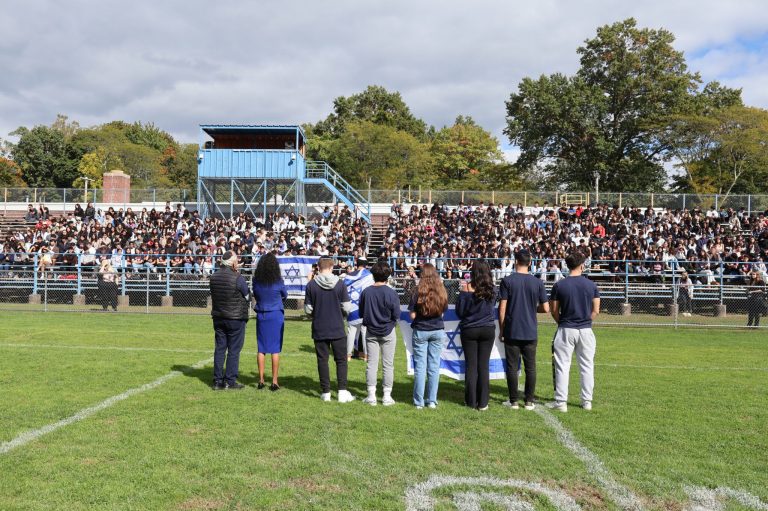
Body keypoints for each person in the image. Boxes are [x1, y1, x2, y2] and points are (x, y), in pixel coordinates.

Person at [548, 251, 600, 412]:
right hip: (585, 329)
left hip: (566, 328)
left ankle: (561, 402)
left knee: (563, 365)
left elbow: (554, 310)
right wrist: (586, 321)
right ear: (582, 265)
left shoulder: (559, 285)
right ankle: (587, 401)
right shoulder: (591, 285)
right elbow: (596, 310)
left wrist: (562, 322)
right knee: (586, 366)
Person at [498, 251, 549, 410]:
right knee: (531, 367)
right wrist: (532, 309)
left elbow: (502, 309)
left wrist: (501, 329)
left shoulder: (507, 281)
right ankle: (529, 401)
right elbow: (546, 308)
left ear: (516, 261)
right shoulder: (537, 282)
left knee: (512, 367)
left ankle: (513, 401)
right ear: (530, 262)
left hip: (512, 329)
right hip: (530, 330)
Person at [305, 256, 355, 402]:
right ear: (332, 267)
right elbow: (347, 307)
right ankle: (342, 391)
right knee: (341, 360)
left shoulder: (311, 285)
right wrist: (340, 313)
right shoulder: (340, 284)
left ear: (318, 268)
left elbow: (308, 310)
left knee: (322, 360)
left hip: (319, 327)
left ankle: (326, 392)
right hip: (337, 327)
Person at [456, 260, 497, 411]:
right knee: (483, 366)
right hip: (487, 329)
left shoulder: (467, 288)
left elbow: (460, 312)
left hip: (470, 330)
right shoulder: (492, 289)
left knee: (471, 366)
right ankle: (483, 402)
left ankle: (471, 401)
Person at [358, 261, 400, 406]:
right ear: (387, 276)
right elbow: (396, 314)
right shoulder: (391, 293)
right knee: (388, 365)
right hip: (386, 331)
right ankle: (386, 396)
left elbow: (361, 312)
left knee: (372, 364)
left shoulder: (366, 292)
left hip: (372, 331)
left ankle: (372, 396)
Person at [409, 263, 448, 409]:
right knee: (434, 366)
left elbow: (412, 315)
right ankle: (431, 400)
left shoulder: (417, 291)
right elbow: (443, 312)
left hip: (421, 330)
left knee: (420, 367)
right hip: (437, 330)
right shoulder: (442, 291)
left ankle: (418, 402)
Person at [209, 251, 250, 390]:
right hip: (235, 318)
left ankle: (217, 381)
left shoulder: (213, 277)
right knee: (234, 350)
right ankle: (229, 381)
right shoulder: (238, 277)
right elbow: (248, 296)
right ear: (233, 263)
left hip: (218, 317)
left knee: (220, 349)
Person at [251, 252, 287, 391]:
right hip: (276, 315)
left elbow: (256, 294)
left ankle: (261, 380)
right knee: (275, 349)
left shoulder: (256, 281)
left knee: (261, 349)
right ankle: (274, 381)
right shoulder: (278, 281)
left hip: (262, 315)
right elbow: (285, 295)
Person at [345, 256, 370, 361]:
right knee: (364, 332)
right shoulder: (369, 276)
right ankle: (366, 356)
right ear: (366, 264)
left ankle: (348, 355)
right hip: (364, 308)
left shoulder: (349, 276)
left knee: (351, 332)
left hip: (352, 307)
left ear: (357, 263)